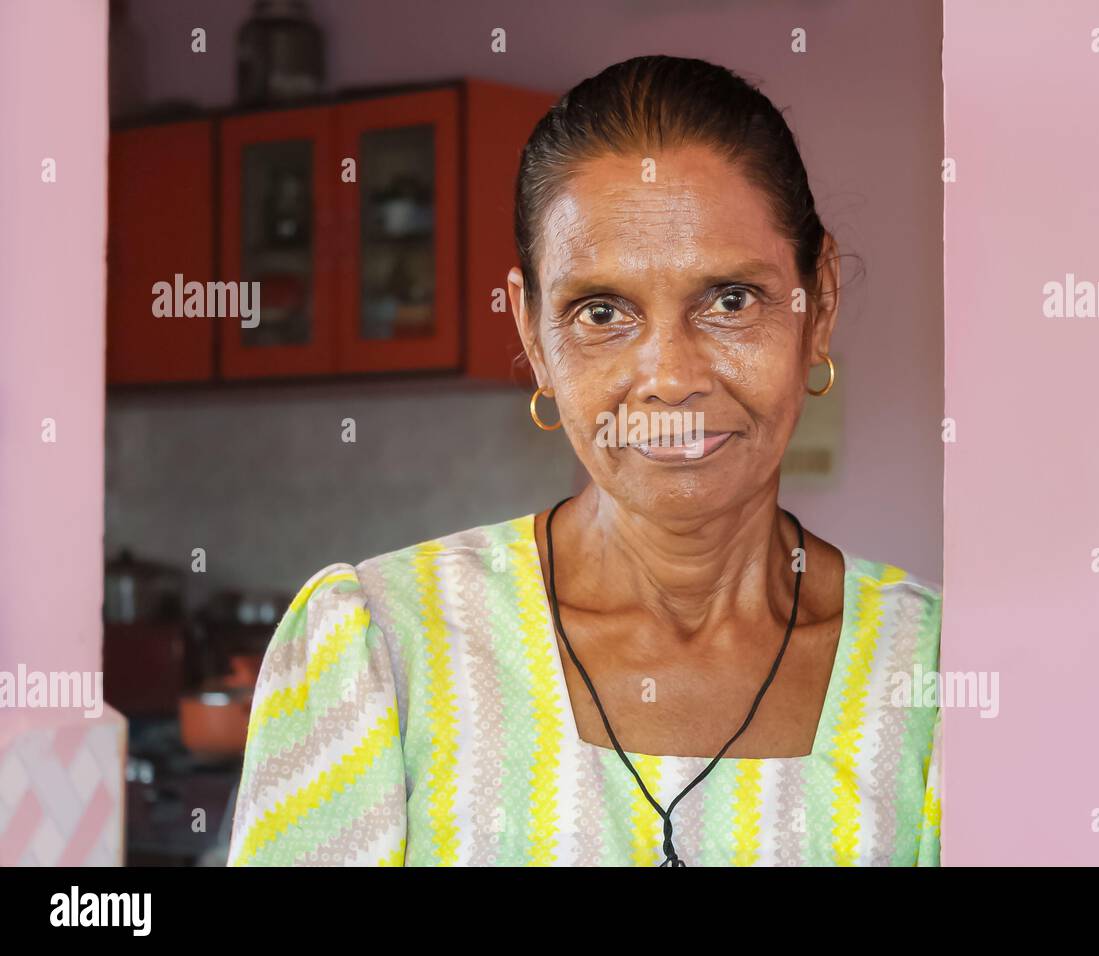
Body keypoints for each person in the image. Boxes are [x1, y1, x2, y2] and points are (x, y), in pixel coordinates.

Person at [227, 54, 942, 867]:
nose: (671, 379)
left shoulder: (931, 673)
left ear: (819, 306)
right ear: (534, 336)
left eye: (731, 300)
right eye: (602, 311)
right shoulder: (384, 651)